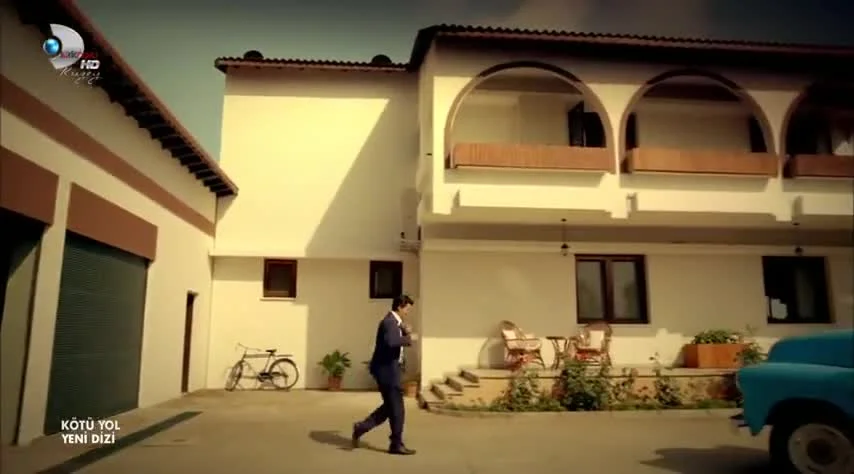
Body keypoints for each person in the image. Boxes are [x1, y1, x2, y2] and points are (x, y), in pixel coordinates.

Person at [351, 294, 417, 455]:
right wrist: (409, 338)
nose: (408, 313)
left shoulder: (394, 323)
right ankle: (396, 444)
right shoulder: (389, 322)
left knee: (390, 407)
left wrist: (403, 331)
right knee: (398, 409)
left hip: (389, 370)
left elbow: (393, 339)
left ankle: (361, 427)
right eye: (407, 309)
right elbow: (391, 341)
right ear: (399, 307)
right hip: (387, 372)